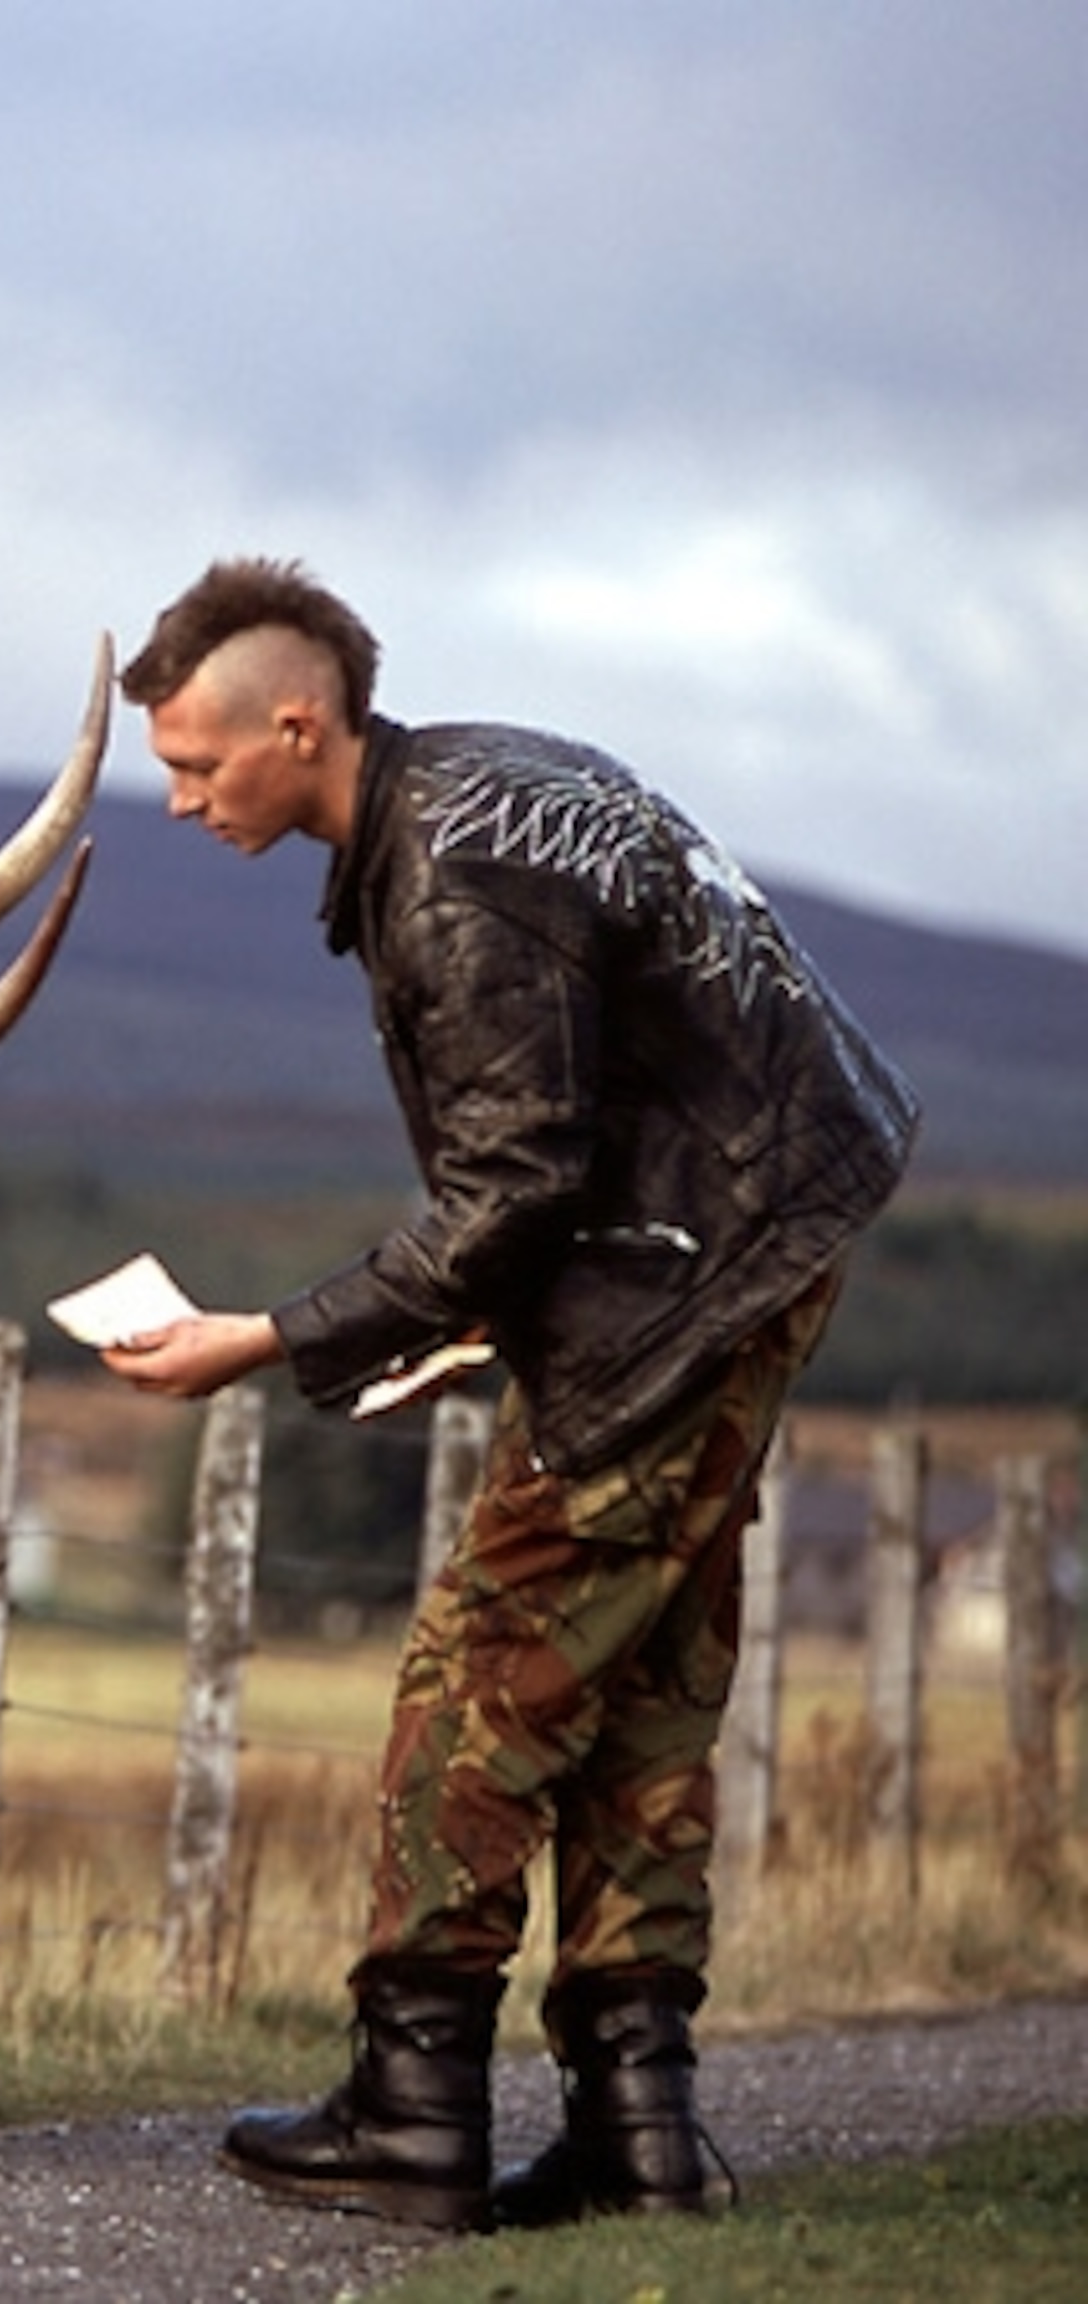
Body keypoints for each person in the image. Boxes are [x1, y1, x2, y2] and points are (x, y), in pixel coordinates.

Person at [91, 558, 920, 2232]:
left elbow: (516, 1188)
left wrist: (265, 1334)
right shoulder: (487, 776)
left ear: (298, 726)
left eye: (197, 765)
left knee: (480, 1678)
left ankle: (413, 2110)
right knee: (643, 1684)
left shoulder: (453, 877)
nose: (180, 803)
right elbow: (591, 1127)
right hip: (749, 1249)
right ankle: (641, 2127)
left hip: (679, 1284)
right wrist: (497, 1308)